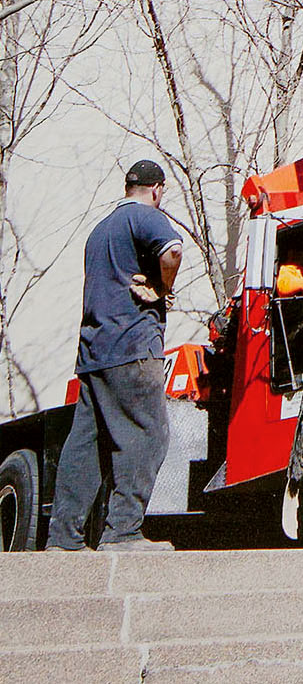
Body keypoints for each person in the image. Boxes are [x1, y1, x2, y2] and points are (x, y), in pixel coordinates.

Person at [46, 159, 183, 551]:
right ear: (157, 190)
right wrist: (161, 286)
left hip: (94, 353)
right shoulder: (145, 216)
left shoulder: (99, 231)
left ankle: (62, 539)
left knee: (87, 444)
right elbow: (172, 251)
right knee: (149, 433)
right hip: (132, 347)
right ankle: (123, 533)